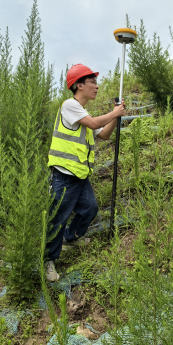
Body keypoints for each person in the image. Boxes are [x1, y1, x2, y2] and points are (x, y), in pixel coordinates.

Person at [45, 63, 125, 281]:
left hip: (80, 175)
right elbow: (93, 123)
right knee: (58, 217)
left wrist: (116, 117)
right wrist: (113, 112)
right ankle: (48, 262)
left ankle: (70, 239)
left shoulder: (82, 113)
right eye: (93, 82)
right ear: (79, 85)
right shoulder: (69, 106)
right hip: (63, 174)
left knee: (90, 207)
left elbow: (104, 134)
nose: (97, 87)